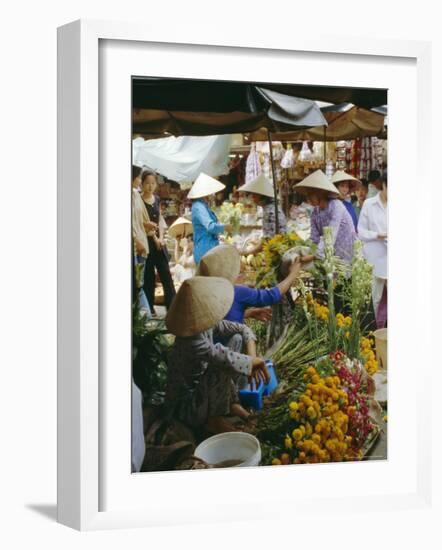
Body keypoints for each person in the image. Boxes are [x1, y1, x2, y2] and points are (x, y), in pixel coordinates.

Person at [165, 277, 270, 433]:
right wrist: (251, 362)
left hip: (203, 390)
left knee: (236, 338)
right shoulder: (190, 341)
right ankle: (214, 420)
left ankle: (232, 404)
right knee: (221, 363)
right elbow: (221, 357)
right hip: (186, 407)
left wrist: (253, 357)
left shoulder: (205, 325)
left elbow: (242, 329)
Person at [197, 244, 305, 325]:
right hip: (227, 348)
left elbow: (222, 319)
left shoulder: (209, 292)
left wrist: (248, 313)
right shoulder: (237, 291)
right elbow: (270, 296)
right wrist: (293, 274)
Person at [294, 169, 358, 265]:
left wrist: (313, 256)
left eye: (311, 194)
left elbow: (330, 236)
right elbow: (314, 238)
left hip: (347, 255)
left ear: (321, 193)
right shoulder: (316, 212)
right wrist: (305, 250)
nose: (308, 198)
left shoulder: (336, 206)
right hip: (331, 256)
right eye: (307, 194)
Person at [140, 171, 176, 313]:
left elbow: (160, 220)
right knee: (149, 277)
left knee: (166, 274)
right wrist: (155, 238)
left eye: (153, 183)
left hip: (159, 244)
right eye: (147, 183)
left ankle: (172, 308)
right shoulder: (139, 200)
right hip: (147, 243)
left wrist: (161, 238)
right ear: (142, 183)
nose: (150, 186)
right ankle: (150, 310)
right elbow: (142, 223)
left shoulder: (156, 199)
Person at [358, 173, 388, 327]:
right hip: (374, 261)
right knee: (374, 300)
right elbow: (361, 231)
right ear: (383, 185)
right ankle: (372, 337)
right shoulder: (369, 204)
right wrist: (377, 235)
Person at [188, 173, 233, 264]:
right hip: (205, 250)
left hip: (209, 249)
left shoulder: (203, 206)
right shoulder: (198, 206)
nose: (213, 194)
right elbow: (210, 227)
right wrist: (224, 227)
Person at [237, 174, 287, 254]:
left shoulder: (270, 211)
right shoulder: (271, 207)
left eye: (254, 195)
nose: (252, 197)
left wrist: (247, 252)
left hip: (277, 252)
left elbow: (267, 241)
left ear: (262, 196)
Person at [131, 165, 158, 317]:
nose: (141, 181)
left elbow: (141, 219)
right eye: (139, 177)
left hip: (141, 247)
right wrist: (136, 240)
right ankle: (145, 318)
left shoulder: (135, 194)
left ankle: (143, 320)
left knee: (137, 285)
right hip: (135, 246)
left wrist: (147, 225)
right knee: (137, 286)